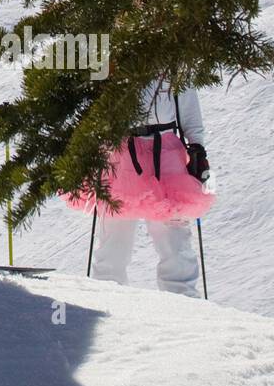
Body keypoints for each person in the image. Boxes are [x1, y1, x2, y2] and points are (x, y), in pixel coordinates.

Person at [80, 82, 213, 298]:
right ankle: (107, 302)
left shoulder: (172, 57)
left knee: (175, 239)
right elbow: (92, 103)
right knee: (114, 243)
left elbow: (188, 103)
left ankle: (184, 303)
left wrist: (197, 147)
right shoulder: (108, 56)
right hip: (121, 151)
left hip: (166, 152)